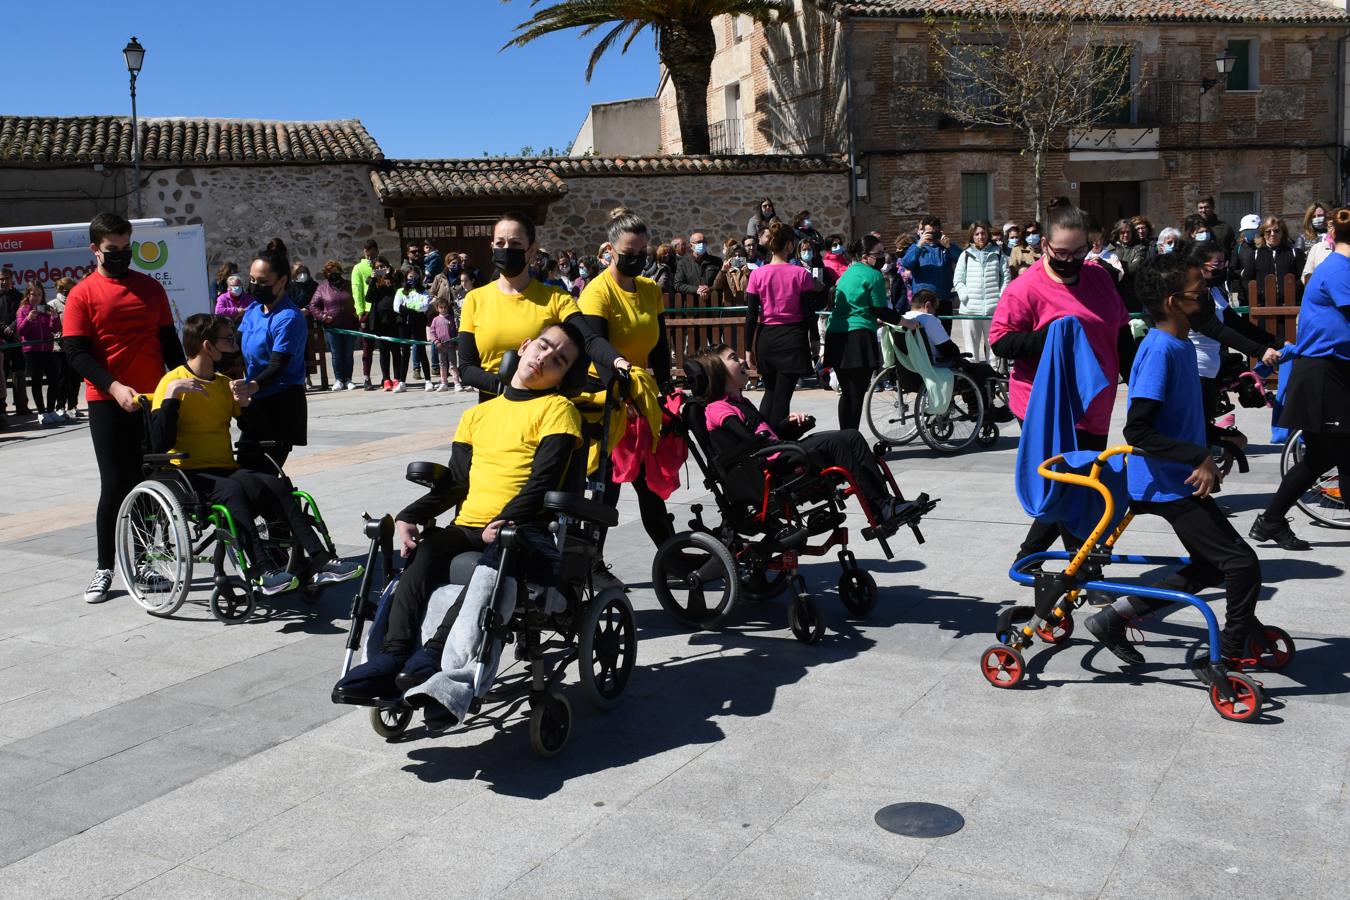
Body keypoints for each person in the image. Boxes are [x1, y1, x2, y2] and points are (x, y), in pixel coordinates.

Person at [331, 321, 585, 710]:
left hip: (524, 532)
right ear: (525, 344)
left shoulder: (558, 410)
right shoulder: (477, 416)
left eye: (559, 360)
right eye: (544, 347)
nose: (545, 358)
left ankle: (434, 660)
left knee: (494, 560)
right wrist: (409, 515)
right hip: (469, 526)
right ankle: (391, 656)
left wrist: (505, 521)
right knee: (424, 552)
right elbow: (456, 484)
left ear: (563, 376)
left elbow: (542, 482)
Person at [1084, 252, 1263, 666]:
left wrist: (1219, 439)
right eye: (1199, 294)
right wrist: (1198, 456)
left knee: (1210, 565)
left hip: (1176, 475)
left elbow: (1178, 418)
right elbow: (1139, 430)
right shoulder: (1160, 350)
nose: (1209, 302)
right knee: (1241, 565)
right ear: (1172, 302)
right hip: (1166, 482)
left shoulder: (1180, 345)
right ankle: (1230, 656)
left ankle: (1113, 619)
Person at [150, 313, 362, 594]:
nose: (234, 347)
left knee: (275, 484)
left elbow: (260, 431)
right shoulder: (171, 382)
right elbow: (159, 442)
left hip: (224, 466)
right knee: (232, 492)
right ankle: (261, 571)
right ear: (207, 346)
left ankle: (321, 561)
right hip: (187, 474)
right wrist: (172, 398)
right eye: (228, 340)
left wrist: (246, 404)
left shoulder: (225, 383)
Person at [990, 204, 1133, 562]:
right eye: (1061, 253)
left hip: (1095, 402)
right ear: (1045, 246)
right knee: (1073, 485)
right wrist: (1051, 339)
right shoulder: (1025, 288)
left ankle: (1033, 557)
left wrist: (1139, 385)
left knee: (1080, 484)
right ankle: (1078, 566)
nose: (1070, 260)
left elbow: (1120, 333)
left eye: (1080, 251)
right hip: (1047, 405)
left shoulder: (1099, 278)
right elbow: (1000, 340)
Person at [63, 213, 187, 604]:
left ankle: (149, 560)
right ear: (95, 249)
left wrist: (188, 382)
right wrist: (113, 386)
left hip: (153, 401)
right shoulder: (82, 294)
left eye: (125, 248)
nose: (120, 256)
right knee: (116, 484)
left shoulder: (151, 289)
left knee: (152, 482)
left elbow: (170, 344)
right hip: (108, 402)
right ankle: (104, 567)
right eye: (112, 250)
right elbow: (76, 353)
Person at [692, 344, 912, 522]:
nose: (741, 360)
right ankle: (881, 508)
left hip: (778, 455)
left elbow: (763, 435)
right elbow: (750, 442)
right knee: (836, 443)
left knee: (851, 435)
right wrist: (779, 435)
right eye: (733, 357)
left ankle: (886, 504)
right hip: (771, 469)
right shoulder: (718, 408)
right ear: (717, 371)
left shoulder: (741, 401)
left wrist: (787, 425)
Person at [578, 208, 676, 586]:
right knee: (608, 488)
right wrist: (622, 393)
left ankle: (671, 556)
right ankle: (591, 562)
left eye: (642, 253)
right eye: (629, 253)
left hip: (640, 397)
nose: (636, 259)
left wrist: (666, 387)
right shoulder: (597, 292)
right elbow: (596, 347)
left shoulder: (650, 290)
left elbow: (659, 345)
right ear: (610, 251)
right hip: (606, 399)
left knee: (649, 485)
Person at [1249, 207, 1350, 550]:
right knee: (1342, 453)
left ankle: (1271, 520)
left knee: (1321, 457)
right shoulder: (1338, 270)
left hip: (1329, 371)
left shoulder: (1340, 268)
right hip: (1324, 373)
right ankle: (1271, 520)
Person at [457, 212, 617, 401]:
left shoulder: (557, 298)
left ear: (532, 250)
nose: (507, 249)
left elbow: (588, 339)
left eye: (515, 244)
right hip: (491, 409)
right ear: (492, 248)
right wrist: (507, 387)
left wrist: (618, 362)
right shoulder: (474, 300)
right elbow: (466, 368)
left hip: (543, 408)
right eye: (500, 243)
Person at [1186, 241, 1283, 422]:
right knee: (1199, 437)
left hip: (1210, 371)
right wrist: (1260, 352)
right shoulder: (1190, 298)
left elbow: (1238, 325)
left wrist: (1277, 343)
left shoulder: (1213, 292)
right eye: (1218, 264)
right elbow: (1217, 330)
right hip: (1194, 373)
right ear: (1198, 266)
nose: (1223, 268)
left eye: (1224, 263)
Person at [234, 239, 309, 469]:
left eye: (263, 282)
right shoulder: (254, 310)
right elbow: (235, 348)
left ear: (282, 281)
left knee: (264, 474)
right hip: (256, 403)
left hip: (281, 404)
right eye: (252, 280)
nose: (255, 286)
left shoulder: (288, 317)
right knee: (245, 470)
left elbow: (278, 365)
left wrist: (253, 386)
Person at [745, 221, 825, 430]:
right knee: (782, 399)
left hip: (766, 339)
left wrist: (747, 348)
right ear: (790, 245)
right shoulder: (800, 274)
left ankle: (760, 438)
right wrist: (814, 338)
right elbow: (808, 313)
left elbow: (751, 315)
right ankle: (776, 446)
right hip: (792, 338)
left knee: (770, 392)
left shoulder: (757, 274)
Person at [824, 234, 904, 430]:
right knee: (857, 394)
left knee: (847, 393)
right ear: (864, 256)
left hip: (836, 334)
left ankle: (846, 438)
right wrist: (905, 322)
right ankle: (852, 439)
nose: (882, 257)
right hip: (856, 337)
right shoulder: (874, 276)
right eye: (879, 254)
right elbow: (881, 310)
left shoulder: (848, 273)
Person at [952, 220, 1009, 363]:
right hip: (970, 310)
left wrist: (1001, 298)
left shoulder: (998, 254)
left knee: (994, 348)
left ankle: (994, 379)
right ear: (972, 236)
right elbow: (958, 280)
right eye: (977, 234)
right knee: (971, 349)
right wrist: (965, 297)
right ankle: (974, 380)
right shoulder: (965, 255)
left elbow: (1006, 278)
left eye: (983, 233)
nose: (980, 236)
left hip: (992, 309)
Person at [308, 260, 359, 391]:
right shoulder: (322, 288)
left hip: (349, 326)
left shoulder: (349, 285)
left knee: (348, 354)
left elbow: (358, 299)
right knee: (336, 354)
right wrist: (324, 317)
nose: (333, 274)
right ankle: (338, 380)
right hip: (332, 328)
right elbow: (313, 306)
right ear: (326, 274)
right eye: (330, 271)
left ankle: (348, 379)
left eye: (336, 271)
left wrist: (357, 313)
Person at [16, 282, 62, 426]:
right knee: (36, 382)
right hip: (31, 351)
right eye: (33, 294)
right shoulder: (23, 310)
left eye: (39, 294)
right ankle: (41, 412)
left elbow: (56, 329)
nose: (36, 297)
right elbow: (21, 331)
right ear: (28, 295)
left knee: (54, 380)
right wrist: (29, 319)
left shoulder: (46, 309)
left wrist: (54, 317)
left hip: (47, 349)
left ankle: (50, 410)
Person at [900, 216, 961, 321]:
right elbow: (906, 264)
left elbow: (962, 261)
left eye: (935, 233)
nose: (932, 236)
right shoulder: (916, 247)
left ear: (940, 232)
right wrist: (919, 245)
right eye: (929, 233)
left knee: (943, 336)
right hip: (921, 302)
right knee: (922, 336)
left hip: (943, 301)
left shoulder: (947, 246)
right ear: (922, 232)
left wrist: (949, 247)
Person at [1239, 215, 1304, 305]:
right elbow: (1246, 280)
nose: (1272, 234)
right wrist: (1260, 294)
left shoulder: (1295, 253)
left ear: (1282, 233)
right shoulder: (1255, 255)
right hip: (1263, 307)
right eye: (1268, 231)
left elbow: (1303, 277)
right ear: (1263, 235)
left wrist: (1291, 293)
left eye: (1276, 231)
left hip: (1290, 306)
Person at [49, 277, 82, 421]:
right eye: (69, 289)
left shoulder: (76, 302)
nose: (70, 291)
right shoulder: (53, 304)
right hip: (59, 348)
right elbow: (49, 326)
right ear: (62, 289)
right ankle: (60, 407)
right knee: (62, 378)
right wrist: (58, 334)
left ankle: (72, 406)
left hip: (74, 346)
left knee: (75, 378)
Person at [394, 267, 432, 391]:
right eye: (410, 276)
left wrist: (408, 306)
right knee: (405, 352)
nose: (412, 279)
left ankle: (428, 380)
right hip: (404, 324)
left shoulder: (424, 292)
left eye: (415, 277)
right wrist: (413, 307)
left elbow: (424, 306)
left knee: (421, 351)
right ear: (406, 278)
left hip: (418, 323)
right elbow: (396, 306)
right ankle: (402, 382)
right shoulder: (400, 291)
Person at [364, 257, 399, 391]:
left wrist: (390, 276)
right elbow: (369, 298)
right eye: (377, 267)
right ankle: (386, 379)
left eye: (382, 266)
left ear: (387, 266)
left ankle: (397, 378)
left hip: (394, 320)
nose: (380, 269)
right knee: (384, 351)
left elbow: (399, 293)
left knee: (396, 351)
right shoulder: (372, 281)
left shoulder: (394, 279)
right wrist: (373, 280)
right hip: (380, 321)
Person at [351, 239, 380, 390]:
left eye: (373, 255)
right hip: (368, 312)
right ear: (364, 252)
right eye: (368, 256)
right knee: (367, 346)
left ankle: (387, 377)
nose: (371, 259)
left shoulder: (382, 266)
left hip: (381, 310)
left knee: (385, 345)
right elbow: (357, 291)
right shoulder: (358, 268)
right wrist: (360, 312)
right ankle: (366, 377)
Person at [0, 268, 27, 418]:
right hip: (1, 342)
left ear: (12, 279)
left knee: (19, 372)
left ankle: (21, 405)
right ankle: (2, 409)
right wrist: (4, 328)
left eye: (6, 278)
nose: (3, 281)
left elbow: (22, 313)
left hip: (16, 339)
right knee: (1, 375)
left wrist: (13, 327)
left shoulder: (19, 296)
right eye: (1, 279)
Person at [1110, 218, 1147, 313]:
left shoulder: (1140, 248)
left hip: (1132, 297)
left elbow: (1133, 269)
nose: (1126, 235)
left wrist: (1115, 265)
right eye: (1122, 232)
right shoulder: (1110, 249)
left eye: (1128, 232)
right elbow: (1108, 272)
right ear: (1117, 233)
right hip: (1113, 296)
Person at [674, 231, 723, 300]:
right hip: (691, 304)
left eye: (704, 242)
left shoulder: (716, 261)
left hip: (713, 303)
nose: (702, 244)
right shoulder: (683, 263)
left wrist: (709, 289)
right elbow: (678, 285)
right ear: (691, 246)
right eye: (699, 242)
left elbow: (722, 282)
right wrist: (697, 290)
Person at [429, 298, 463, 392]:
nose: (443, 309)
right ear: (437, 308)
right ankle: (444, 383)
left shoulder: (452, 318)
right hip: (441, 347)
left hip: (451, 346)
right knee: (442, 365)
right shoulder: (435, 320)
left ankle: (456, 382)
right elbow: (432, 333)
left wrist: (457, 343)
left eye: (445, 307)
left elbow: (456, 332)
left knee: (453, 365)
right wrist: (436, 342)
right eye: (441, 307)